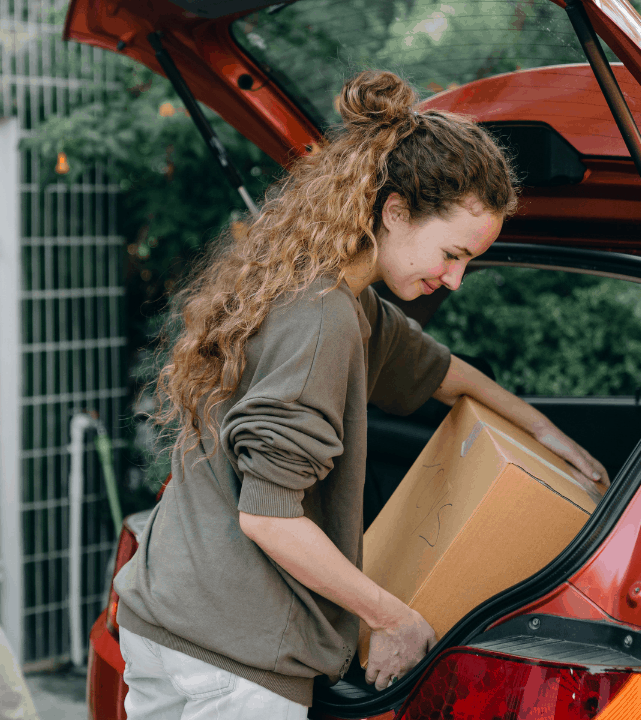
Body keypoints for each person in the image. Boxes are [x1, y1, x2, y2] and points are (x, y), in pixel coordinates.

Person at [114, 70, 609, 720]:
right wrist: (390, 616)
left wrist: (549, 436)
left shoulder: (329, 295)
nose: (456, 280)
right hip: (234, 663)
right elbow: (269, 518)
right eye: (453, 253)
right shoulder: (320, 322)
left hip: (168, 623)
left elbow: (446, 374)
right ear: (396, 211)